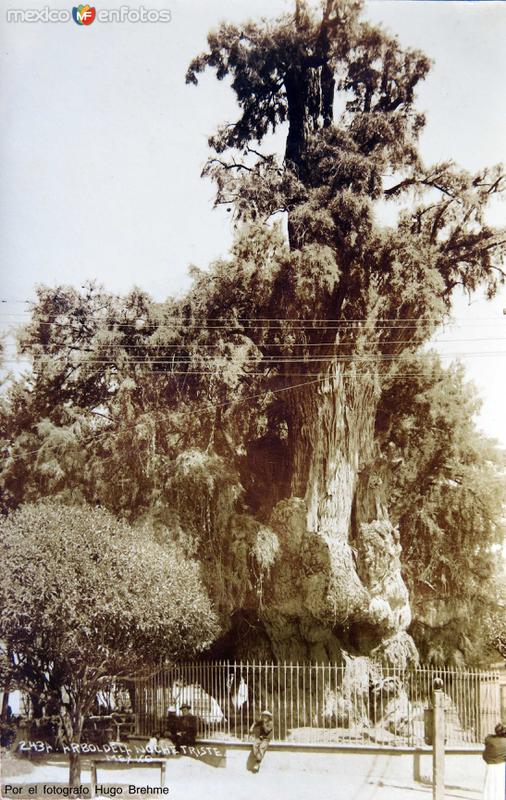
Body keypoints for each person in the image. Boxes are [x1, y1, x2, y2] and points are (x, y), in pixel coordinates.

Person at [482, 722, 506, 800]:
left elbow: (487, 739)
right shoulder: (504, 742)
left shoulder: (489, 739)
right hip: (501, 765)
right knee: (500, 785)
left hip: (490, 765)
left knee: (490, 784)